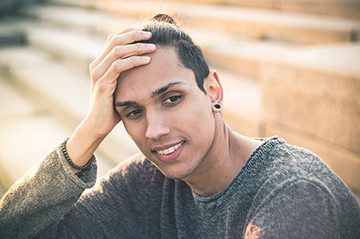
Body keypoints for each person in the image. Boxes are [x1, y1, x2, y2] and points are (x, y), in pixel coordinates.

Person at [0, 14, 359, 239]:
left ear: (212, 89)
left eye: (171, 98)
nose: (155, 130)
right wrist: (88, 133)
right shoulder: (144, 183)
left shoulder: (294, 194)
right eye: (133, 112)